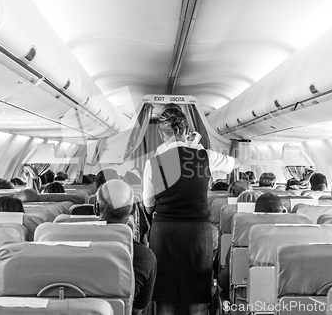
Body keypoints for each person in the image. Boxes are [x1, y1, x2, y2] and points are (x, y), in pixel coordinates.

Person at [143, 108, 239, 315]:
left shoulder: (153, 163)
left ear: (162, 133)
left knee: (166, 294)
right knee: (197, 293)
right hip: (197, 233)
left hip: (165, 233)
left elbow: (148, 205)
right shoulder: (204, 155)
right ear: (186, 130)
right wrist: (196, 146)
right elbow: (233, 164)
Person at [97, 179, 156, 315]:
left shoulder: (68, 244)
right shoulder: (145, 257)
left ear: (96, 207)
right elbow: (135, 310)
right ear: (134, 209)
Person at [217, 193, 285, 298]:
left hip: (244, 301)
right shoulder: (296, 239)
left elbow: (225, 281)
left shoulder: (241, 239)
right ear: (284, 212)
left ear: (256, 213)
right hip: (286, 302)